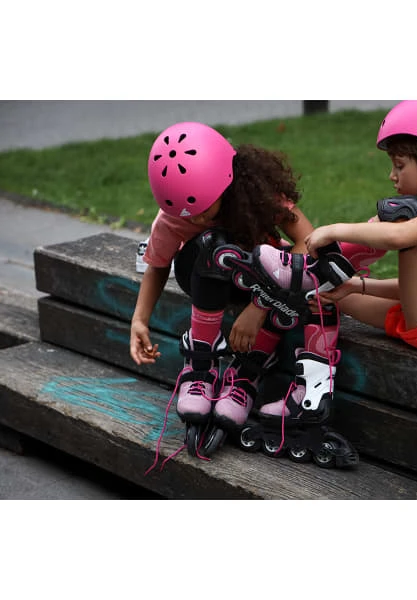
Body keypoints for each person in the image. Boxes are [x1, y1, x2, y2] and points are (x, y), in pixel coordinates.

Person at [129, 121, 346, 459]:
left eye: (203, 211)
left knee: (298, 274)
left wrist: (259, 305)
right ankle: (200, 365)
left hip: (262, 282)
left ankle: (246, 374)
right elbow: (158, 265)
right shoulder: (175, 215)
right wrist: (140, 320)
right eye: (189, 215)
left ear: (224, 184)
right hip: (207, 280)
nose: (195, 219)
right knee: (211, 244)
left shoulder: (258, 195)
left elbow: (309, 241)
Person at [252, 100, 417, 361]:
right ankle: (291, 270)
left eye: (400, 165)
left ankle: (305, 267)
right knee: (325, 293)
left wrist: (333, 230)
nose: (392, 175)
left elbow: (399, 236)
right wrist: (355, 285)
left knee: (405, 213)